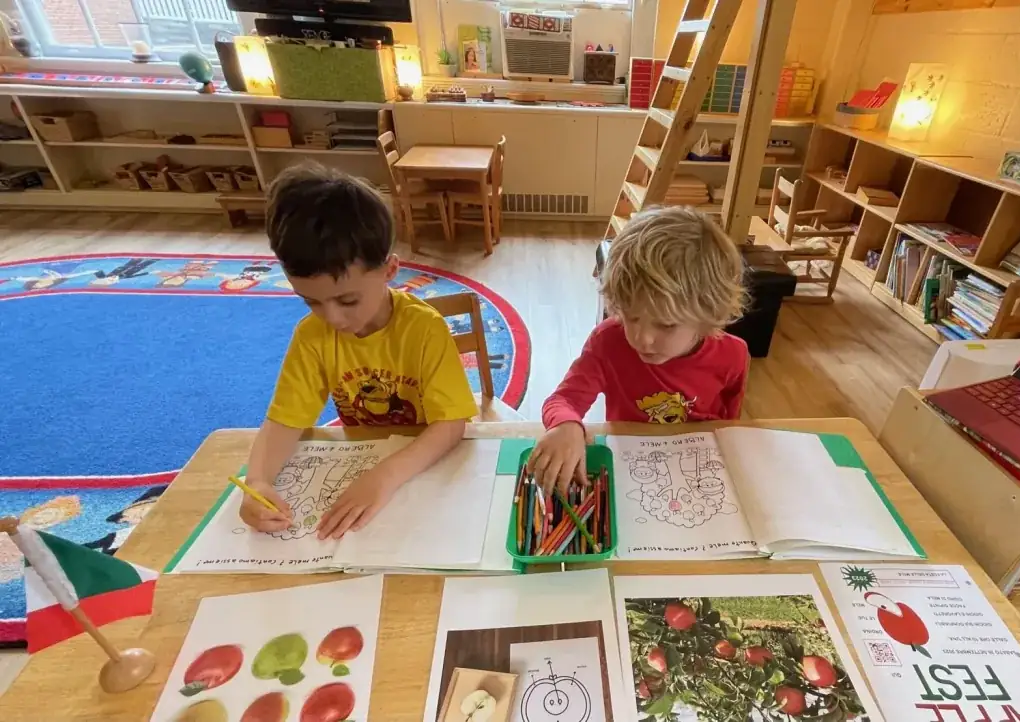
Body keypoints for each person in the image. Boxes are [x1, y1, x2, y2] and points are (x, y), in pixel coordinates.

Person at [240, 164, 477, 539]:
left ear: (389, 270)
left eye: (348, 300)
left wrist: (385, 477)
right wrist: (258, 482)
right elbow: (285, 420)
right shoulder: (311, 337)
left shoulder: (424, 328)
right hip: (361, 465)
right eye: (311, 301)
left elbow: (451, 426)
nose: (332, 318)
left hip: (419, 472)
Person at [530, 205, 749, 491]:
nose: (642, 338)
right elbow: (563, 400)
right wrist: (566, 425)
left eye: (666, 325)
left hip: (696, 469)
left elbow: (729, 424)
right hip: (631, 469)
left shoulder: (732, 355)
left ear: (708, 314)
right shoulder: (608, 341)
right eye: (631, 316)